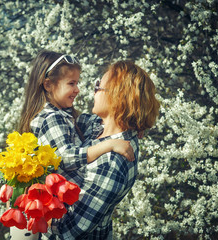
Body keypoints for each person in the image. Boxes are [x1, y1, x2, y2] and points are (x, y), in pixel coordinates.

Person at [8, 51, 135, 240]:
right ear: (48, 85)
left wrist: (133, 122)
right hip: (60, 214)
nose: (78, 89)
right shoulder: (51, 119)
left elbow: (93, 122)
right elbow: (65, 157)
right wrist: (108, 145)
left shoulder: (64, 116)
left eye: (77, 83)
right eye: (71, 83)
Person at [44, 60, 161, 239]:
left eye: (98, 86)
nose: (93, 90)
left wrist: (31, 208)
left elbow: (70, 230)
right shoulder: (99, 127)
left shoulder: (112, 161)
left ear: (116, 96)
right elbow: (67, 121)